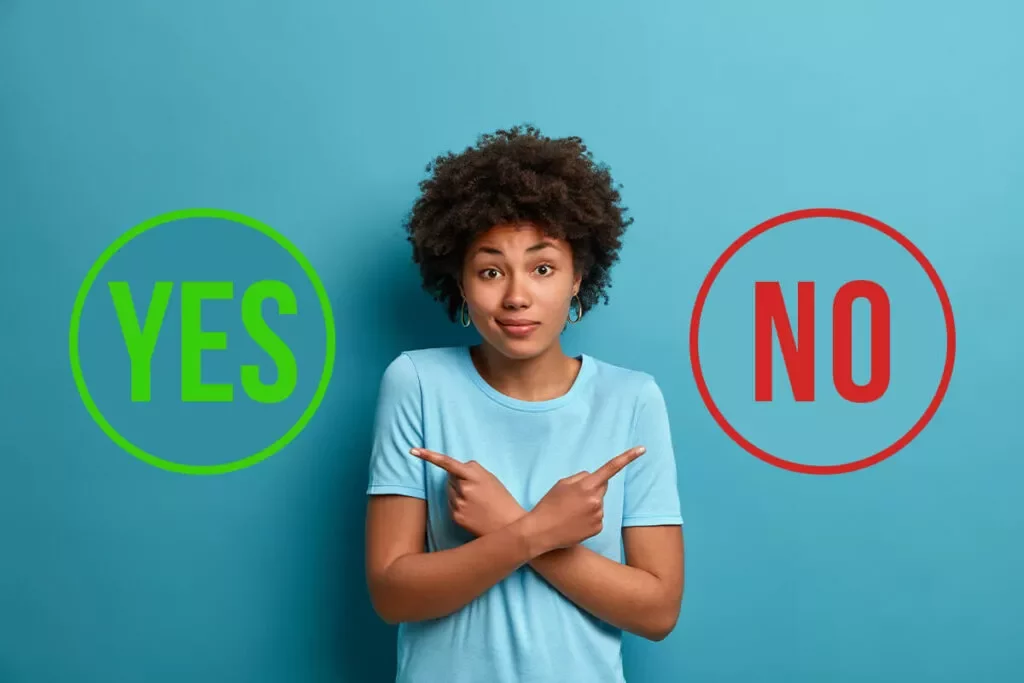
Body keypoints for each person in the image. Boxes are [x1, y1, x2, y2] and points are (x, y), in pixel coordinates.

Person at [364, 124, 684, 683]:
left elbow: (657, 612)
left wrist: (507, 523)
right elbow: (393, 595)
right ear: (461, 283)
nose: (516, 295)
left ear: (577, 277)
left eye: (542, 268)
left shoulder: (632, 399)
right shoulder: (416, 382)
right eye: (490, 271)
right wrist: (531, 533)